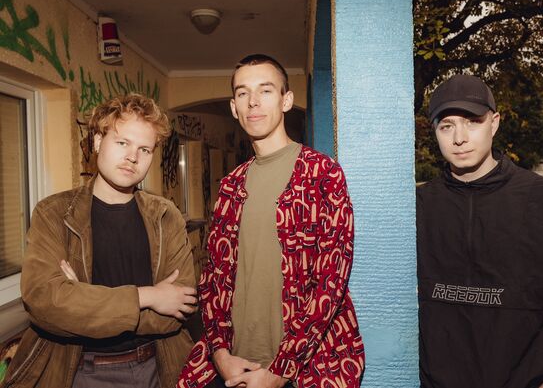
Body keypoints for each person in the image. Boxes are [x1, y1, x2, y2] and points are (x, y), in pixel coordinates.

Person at [178, 54, 364, 388]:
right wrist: (220, 354)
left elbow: (331, 280)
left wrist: (280, 371)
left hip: (307, 369)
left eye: (265, 90)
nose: (253, 101)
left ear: (286, 100)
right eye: (242, 93)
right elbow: (214, 279)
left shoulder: (322, 174)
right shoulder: (231, 185)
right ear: (234, 107)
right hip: (235, 364)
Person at [417, 74, 543, 388]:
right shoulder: (419, 206)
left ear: (494, 123)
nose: (459, 138)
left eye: (473, 121)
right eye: (446, 126)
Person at [1, 94, 197, 388]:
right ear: (97, 142)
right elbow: (45, 303)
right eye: (122, 143)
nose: (133, 157)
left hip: (158, 368)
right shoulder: (54, 213)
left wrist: (82, 299)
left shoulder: (165, 215)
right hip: (80, 371)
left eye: (144, 149)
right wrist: (149, 296)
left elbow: (175, 313)